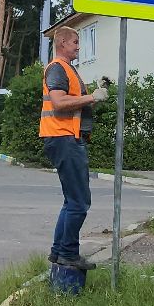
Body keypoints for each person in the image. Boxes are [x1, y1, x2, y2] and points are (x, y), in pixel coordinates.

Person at [40, 25, 106, 271]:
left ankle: (59, 251)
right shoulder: (58, 68)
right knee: (79, 201)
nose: (79, 46)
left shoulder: (68, 69)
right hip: (64, 137)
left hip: (66, 137)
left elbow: (73, 103)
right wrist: (92, 98)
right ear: (63, 44)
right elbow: (58, 103)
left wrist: (93, 97)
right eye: (75, 42)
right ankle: (68, 253)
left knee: (71, 201)